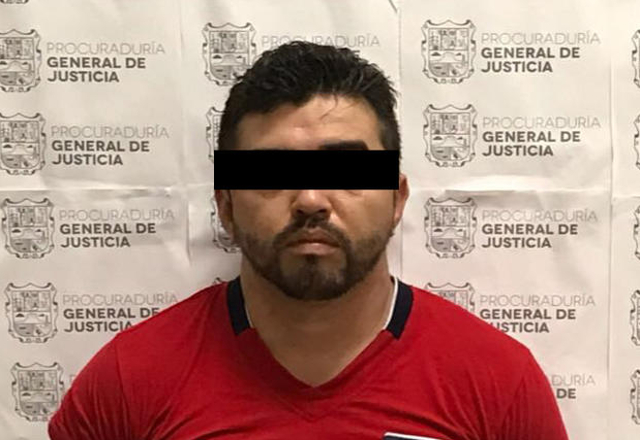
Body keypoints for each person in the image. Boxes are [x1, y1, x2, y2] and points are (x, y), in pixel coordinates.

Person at [48, 42, 569, 440]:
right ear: (225, 205)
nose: (311, 200)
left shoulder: (499, 385)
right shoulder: (128, 384)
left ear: (397, 198)